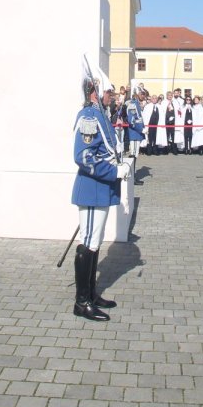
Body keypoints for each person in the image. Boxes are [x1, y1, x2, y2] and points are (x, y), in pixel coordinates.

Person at [69, 78, 131, 321]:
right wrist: (113, 172)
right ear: (94, 93)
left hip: (101, 188)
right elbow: (83, 156)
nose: (112, 95)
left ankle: (91, 293)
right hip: (93, 186)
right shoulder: (88, 116)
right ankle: (81, 301)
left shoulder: (101, 115)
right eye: (108, 91)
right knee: (89, 241)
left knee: (95, 240)